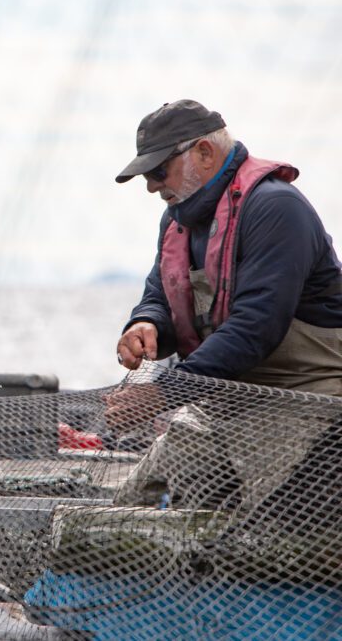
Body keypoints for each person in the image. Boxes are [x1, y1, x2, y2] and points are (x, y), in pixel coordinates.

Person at [107, 99, 342, 507]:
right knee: (136, 499)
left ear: (204, 152)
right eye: (147, 175)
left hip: (305, 396)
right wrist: (145, 325)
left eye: (159, 170)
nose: (151, 186)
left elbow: (255, 327)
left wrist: (162, 395)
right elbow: (160, 294)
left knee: (262, 526)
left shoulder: (275, 208)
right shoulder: (179, 218)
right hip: (225, 394)